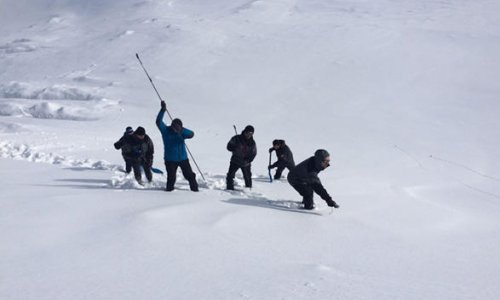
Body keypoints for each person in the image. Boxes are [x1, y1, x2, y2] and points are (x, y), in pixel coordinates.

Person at [156, 100, 199, 192]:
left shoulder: (182, 132)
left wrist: (182, 130)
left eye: (179, 128)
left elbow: (192, 134)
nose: (176, 130)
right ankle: (169, 192)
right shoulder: (165, 131)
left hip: (183, 159)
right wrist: (163, 110)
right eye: (175, 127)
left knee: (190, 176)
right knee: (171, 178)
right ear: (172, 126)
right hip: (170, 160)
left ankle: (195, 191)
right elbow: (158, 122)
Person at [226, 125, 257, 190]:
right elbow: (228, 146)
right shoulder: (236, 138)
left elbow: (254, 153)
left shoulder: (252, 143)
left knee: (248, 177)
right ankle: (229, 189)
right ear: (244, 131)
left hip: (246, 163)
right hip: (235, 160)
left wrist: (249, 159)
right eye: (247, 132)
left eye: (251, 133)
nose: (248, 134)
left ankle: (249, 190)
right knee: (230, 175)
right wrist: (233, 147)